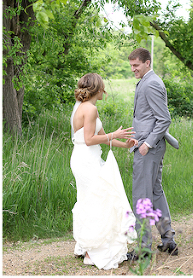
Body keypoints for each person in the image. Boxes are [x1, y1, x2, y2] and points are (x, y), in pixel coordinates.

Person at [70, 73, 137, 269]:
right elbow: (90, 139)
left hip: (87, 157)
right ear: (97, 89)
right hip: (85, 160)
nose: (104, 91)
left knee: (92, 199)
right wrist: (113, 134)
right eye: (103, 87)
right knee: (96, 201)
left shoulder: (88, 108)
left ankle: (87, 245)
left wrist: (124, 144)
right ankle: (91, 251)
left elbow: (102, 137)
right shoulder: (89, 110)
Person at [128, 48, 179, 259]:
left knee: (142, 195)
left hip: (148, 148)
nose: (133, 70)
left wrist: (147, 144)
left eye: (136, 65)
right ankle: (168, 240)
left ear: (147, 63)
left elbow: (164, 119)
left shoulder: (152, 84)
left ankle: (143, 248)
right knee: (155, 193)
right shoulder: (148, 81)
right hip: (149, 146)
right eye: (131, 66)